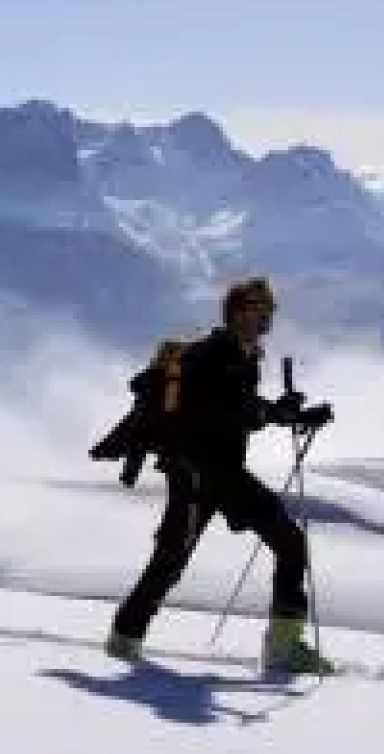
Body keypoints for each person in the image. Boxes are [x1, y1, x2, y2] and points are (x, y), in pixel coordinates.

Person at [106, 276, 336, 673]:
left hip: (218, 472)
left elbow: (239, 409)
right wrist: (275, 414)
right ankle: (126, 637)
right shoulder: (216, 355)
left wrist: (287, 415)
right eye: (260, 310)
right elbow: (221, 412)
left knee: (282, 542)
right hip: (198, 472)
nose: (267, 319)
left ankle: (127, 637)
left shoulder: (239, 356)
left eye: (269, 311)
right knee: (175, 560)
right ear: (239, 312)